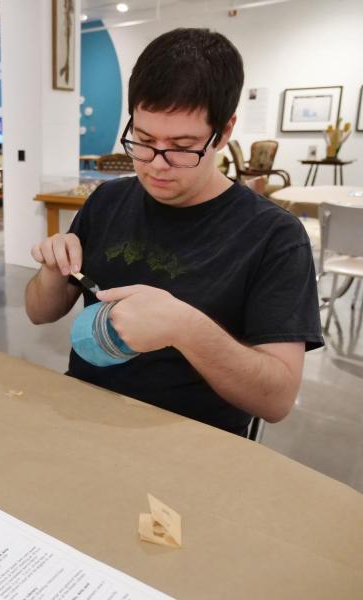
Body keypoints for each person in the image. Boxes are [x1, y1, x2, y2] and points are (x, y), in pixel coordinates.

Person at [25, 28, 324, 436]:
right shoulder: (106, 201)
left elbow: (276, 400)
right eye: (143, 140)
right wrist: (50, 269)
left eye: (182, 147)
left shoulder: (274, 236)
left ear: (225, 131)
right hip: (83, 416)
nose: (156, 164)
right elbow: (39, 313)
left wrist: (185, 327)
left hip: (194, 442)